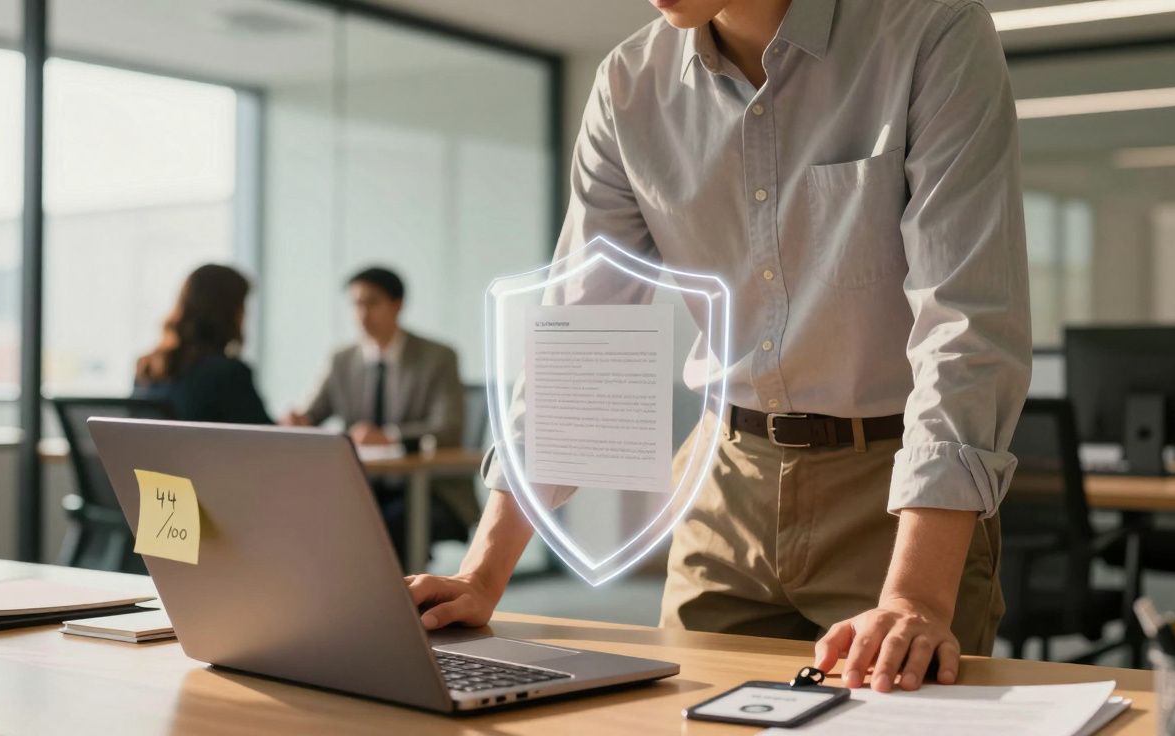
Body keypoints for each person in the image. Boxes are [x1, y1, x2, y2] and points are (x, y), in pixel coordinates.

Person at [405, 0, 1030, 695]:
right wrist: (482, 572)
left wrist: (915, 597)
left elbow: (965, 322)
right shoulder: (630, 83)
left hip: (892, 494)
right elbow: (585, 328)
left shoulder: (928, 29)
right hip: (724, 486)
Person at [282, 267, 476, 556]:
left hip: (429, 489)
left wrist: (390, 437)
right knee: (317, 516)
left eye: (372, 303)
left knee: (384, 526)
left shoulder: (438, 357)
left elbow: (448, 428)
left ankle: (397, 599)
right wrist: (299, 420)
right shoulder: (342, 360)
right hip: (362, 485)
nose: (362, 314)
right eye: (356, 304)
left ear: (397, 305)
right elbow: (314, 412)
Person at [134, 264, 272, 425]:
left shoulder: (147, 368)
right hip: (210, 452)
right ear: (230, 312)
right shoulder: (229, 374)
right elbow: (265, 441)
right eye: (242, 307)